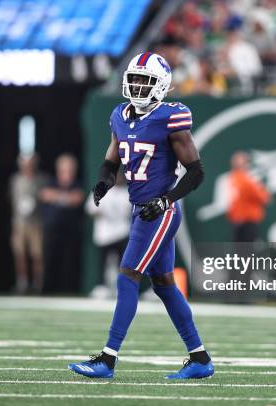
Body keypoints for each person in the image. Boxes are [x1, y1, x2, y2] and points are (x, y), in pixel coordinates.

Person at [69, 52, 213, 380]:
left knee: (127, 277)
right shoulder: (120, 114)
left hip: (159, 212)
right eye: (133, 79)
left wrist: (166, 200)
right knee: (163, 285)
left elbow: (196, 172)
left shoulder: (171, 118)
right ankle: (200, 357)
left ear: (160, 86)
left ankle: (107, 360)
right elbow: (112, 158)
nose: (136, 85)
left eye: (144, 81)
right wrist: (105, 181)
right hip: (140, 208)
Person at [39, 154, 85, 293]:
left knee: (69, 263)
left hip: (71, 231)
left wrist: (57, 197)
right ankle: (47, 290)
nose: (69, 172)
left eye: (71, 169)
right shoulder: (50, 182)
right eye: (66, 169)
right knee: (49, 260)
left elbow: (78, 198)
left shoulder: (78, 184)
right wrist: (66, 198)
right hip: (51, 230)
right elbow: (44, 194)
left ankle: (68, 290)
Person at [85, 173, 131, 299]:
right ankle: (101, 287)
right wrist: (100, 212)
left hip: (122, 233)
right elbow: (90, 209)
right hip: (104, 234)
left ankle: (122, 288)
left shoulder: (128, 193)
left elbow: (132, 213)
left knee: (123, 263)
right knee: (103, 262)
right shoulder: (101, 190)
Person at [9, 154, 46, 294]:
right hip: (19, 224)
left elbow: (44, 197)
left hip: (36, 224)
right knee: (20, 254)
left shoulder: (40, 180)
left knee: (37, 255)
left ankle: (37, 283)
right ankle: (22, 283)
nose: (27, 166)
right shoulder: (15, 181)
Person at [227, 151, 270, 242]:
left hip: (239, 221)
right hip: (247, 221)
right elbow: (264, 198)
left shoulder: (232, 178)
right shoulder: (245, 180)